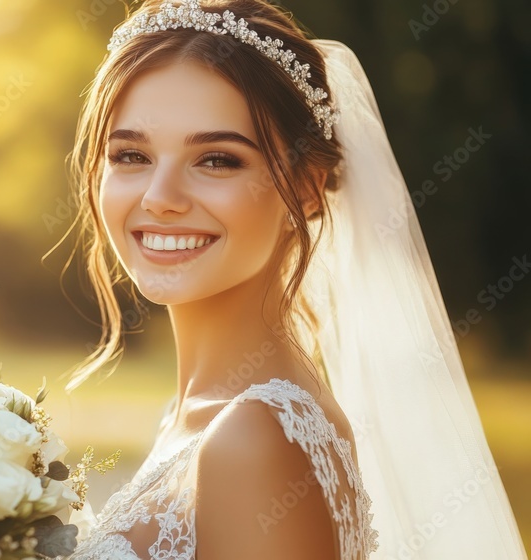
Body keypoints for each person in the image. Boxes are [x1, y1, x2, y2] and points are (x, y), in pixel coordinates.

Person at [58, 0, 529, 558]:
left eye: (217, 160)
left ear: (306, 187)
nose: (159, 199)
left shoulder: (254, 437)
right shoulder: (210, 417)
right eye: (131, 154)